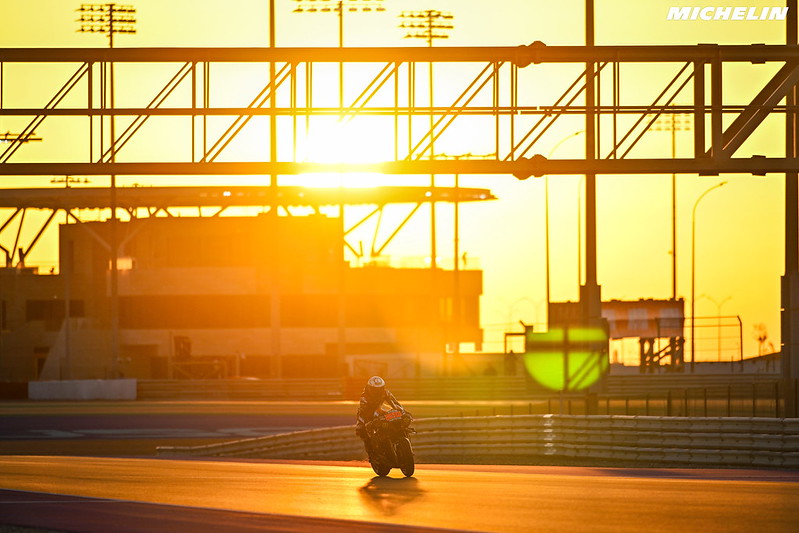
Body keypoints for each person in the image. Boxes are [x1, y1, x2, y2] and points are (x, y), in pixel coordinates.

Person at [355, 375, 407, 458]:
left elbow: (394, 403)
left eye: (380, 389)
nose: (377, 391)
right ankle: (372, 453)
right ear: (369, 388)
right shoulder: (364, 397)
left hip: (379, 410)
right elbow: (365, 412)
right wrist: (371, 421)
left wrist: (401, 411)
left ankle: (397, 441)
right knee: (362, 430)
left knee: (397, 419)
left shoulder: (385, 392)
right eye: (375, 389)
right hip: (366, 415)